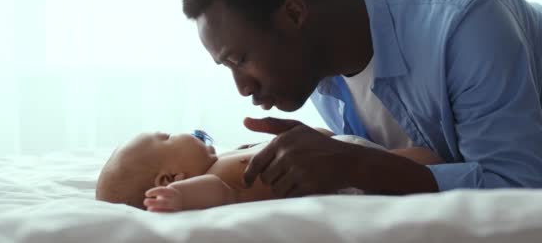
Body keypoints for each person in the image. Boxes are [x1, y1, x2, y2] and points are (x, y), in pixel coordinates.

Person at [181, 0, 542, 197]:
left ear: (293, 13)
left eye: (239, 59)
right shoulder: (318, 75)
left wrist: (353, 163)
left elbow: (518, 190)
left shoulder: (463, 21)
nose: (242, 88)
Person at [95, 126, 443, 212]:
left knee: (428, 158)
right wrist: (178, 198)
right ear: (169, 178)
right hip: (349, 175)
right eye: (167, 135)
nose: (183, 131)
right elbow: (221, 195)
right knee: (427, 163)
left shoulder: (220, 160)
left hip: (343, 154)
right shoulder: (213, 178)